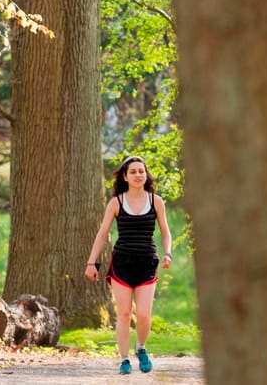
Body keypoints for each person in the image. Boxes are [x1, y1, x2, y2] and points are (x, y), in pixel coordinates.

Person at [85, 155, 173, 375]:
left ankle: (141, 347)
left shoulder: (156, 201)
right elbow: (103, 233)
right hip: (122, 263)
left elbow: (165, 231)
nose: (137, 175)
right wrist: (91, 262)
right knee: (124, 313)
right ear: (125, 176)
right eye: (133, 172)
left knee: (143, 314)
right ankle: (124, 359)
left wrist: (168, 253)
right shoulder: (116, 202)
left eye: (141, 171)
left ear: (146, 175)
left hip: (146, 261)